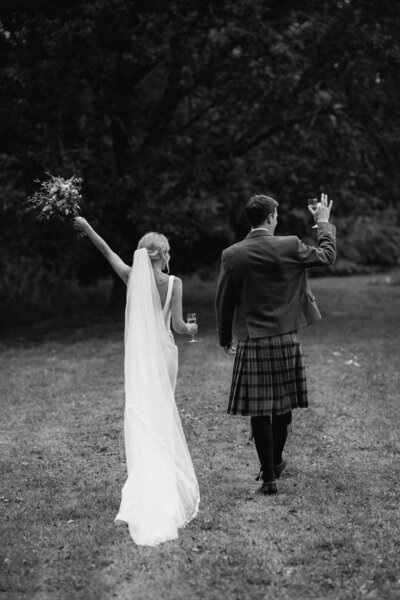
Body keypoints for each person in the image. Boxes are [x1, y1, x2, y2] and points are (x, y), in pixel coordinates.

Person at [74, 217, 200, 545]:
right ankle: (166, 485)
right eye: (168, 251)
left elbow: (106, 251)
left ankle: (144, 485)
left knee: (144, 417)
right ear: (160, 254)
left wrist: (87, 226)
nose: (170, 256)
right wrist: (191, 330)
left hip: (142, 360)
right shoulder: (175, 283)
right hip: (166, 357)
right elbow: (177, 327)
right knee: (162, 416)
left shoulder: (131, 277)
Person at [215, 193, 336, 495]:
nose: (278, 219)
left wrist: (224, 337)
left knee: (259, 410)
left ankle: (269, 476)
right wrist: (322, 222)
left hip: (253, 341)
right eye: (276, 215)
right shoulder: (289, 245)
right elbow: (327, 256)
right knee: (282, 408)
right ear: (270, 217)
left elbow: (224, 300)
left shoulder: (232, 254)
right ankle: (277, 461)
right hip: (284, 338)